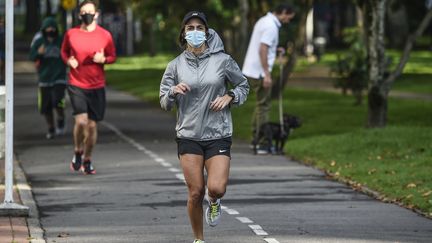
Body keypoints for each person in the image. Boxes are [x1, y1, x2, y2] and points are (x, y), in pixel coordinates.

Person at [160, 11, 249, 243]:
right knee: (195, 191)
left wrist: (230, 96)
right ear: (183, 33)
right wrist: (172, 91)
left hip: (218, 132)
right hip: (188, 134)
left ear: (207, 33)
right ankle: (199, 239)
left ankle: (216, 201)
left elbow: (243, 85)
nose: (195, 32)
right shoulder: (175, 66)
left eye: (200, 28)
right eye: (190, 28)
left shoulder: (223, 60)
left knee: (216, 188)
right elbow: (164, 102)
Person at [61, 0, 116, 175]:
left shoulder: (105, 35)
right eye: (84, 12)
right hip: (76, 83)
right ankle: (78, 150)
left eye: (90, 12)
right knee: (81, 121)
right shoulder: (71, 34)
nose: (87, 15)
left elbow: (112, 56)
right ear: (79, 15)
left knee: (92, 126)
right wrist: (68, 60)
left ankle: (87, 158)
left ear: (96, 14)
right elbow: (63, 52)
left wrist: (104, 60)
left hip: (97, 85)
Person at [242, 4, 295, 154]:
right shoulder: (271, 26)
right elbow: (262, 49)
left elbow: (265, 45)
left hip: (251, 69)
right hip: (259, 72)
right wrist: (266, 74)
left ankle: (256, 137)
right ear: (284, 11)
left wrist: (276, 49)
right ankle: (263, 142)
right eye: (288, 17)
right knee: (264, 106)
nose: (288, 21)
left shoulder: (263, 20)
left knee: (260, 105)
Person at [29, 17, 67, 139]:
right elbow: (31, 57)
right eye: (48, 27)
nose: (50, 29)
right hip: (44, 79)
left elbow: (69, 54)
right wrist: (39, 53)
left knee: (58, 101)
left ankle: (61, 117)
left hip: (59, 78)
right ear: (44, 29)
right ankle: (51, 127)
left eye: (52, 27)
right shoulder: (39, 41)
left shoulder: (61, 40)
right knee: (46, 106)